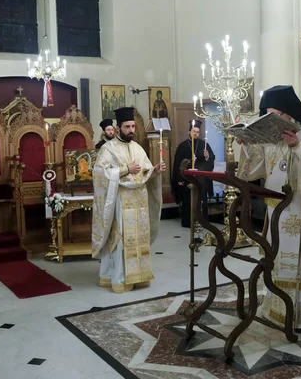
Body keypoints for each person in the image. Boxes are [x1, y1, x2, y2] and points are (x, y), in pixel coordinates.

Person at [237, 85, 301, 330]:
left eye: (276, 114)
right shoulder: (272, 136)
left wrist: (298, 147)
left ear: (289, 113)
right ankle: (277, 307)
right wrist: (246, 144)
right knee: (278, 258)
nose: (272, 119)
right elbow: (257, 166)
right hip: (277, 211)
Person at [92, 107, 165, 293]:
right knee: (123, 239)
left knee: (139, 239)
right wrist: (125, 169)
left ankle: (139, 276)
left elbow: (145, 170)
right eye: (127, 127)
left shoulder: (137, 147)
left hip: (139, 201)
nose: (131, 130)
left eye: (133, 126)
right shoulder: (108, 148)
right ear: (118, 128)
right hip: (121, 201)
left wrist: (155, 170)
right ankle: (119, 277)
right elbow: (99, 173)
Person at [171, 120, 215, 228]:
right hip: (187, 179)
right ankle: (188, 221)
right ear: (189, 132)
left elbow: (211, 159)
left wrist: (207, 156)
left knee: (201, 200)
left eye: (197, 132)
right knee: (188, 200)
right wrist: (178, 179)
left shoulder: (204, 145)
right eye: (193, 131)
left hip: (201, 180)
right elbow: (177, 163)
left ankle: (202, 221)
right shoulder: (182, 146)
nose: (195, 134)